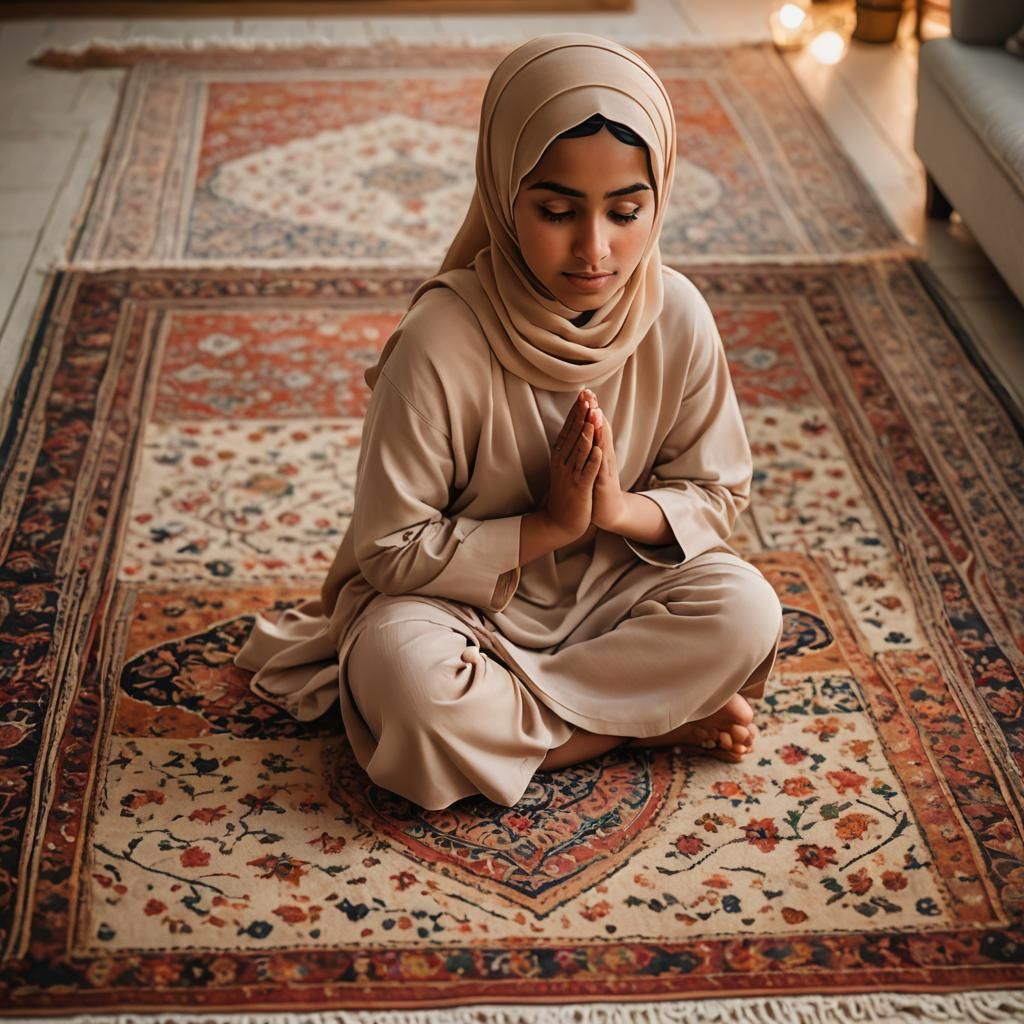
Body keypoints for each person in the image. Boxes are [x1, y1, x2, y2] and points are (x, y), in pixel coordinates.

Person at [233, 33, 784, 811]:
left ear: (660, 198)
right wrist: (548, 527)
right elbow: (389, 551)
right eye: (557, 211)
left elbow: (717, 491)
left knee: (747, 610)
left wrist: (615, 509)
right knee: (407, 683)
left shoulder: (678, 315)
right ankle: (636, 724)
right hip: (458, 608)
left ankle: (529, 729)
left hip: (614, 591)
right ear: (502, 192)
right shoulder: (438, 340)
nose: (595, 248)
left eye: (627, 211)